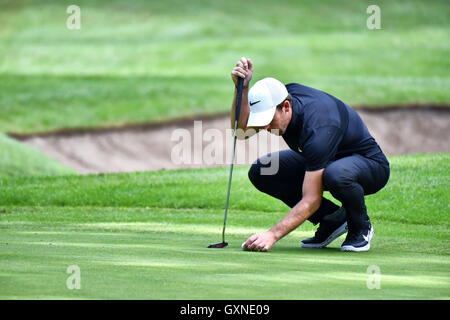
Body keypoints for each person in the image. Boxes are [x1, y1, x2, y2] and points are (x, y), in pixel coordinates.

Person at [231, 57, 390, 252]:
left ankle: (360, 227)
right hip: (328, 159)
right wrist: (241, 89)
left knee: (335, 174)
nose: (264, 126)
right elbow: (241, 131)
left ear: (286, 107)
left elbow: (311, 199)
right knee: (262, 170)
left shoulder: (317, 128)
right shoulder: (280, 99)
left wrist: (272, 234)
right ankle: (331, 220)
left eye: (268, 120)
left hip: (369, 166)